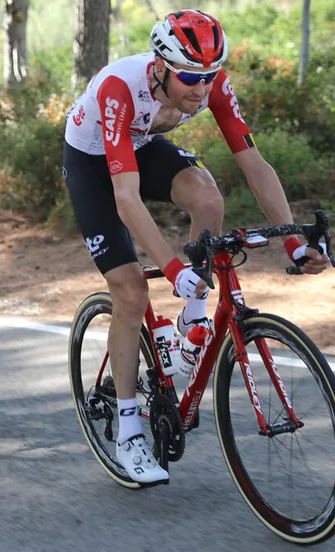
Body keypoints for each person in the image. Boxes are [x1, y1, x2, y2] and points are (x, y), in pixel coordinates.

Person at [63, 9, 329, 485]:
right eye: (189, 77)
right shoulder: (121, 88)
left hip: (138, 142)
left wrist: (291, 240)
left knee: (209, 198)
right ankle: (128, 434)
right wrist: (169, 266)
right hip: (92, 160)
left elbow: (255, 165)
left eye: (209, 76)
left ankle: (189, 322)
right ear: (161, 66)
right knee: (130, 293)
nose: (201, 89)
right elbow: (125, 198)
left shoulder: (212, 86)